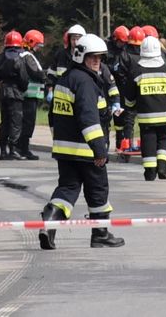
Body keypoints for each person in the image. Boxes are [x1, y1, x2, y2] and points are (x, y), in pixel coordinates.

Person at [39, 33, 124, 250]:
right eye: (92, 57)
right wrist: (99, 150)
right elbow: (88, 119)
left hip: (64, 149)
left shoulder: (65, 79)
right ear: (80, 57)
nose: (97, 62)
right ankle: (100, 234)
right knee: (98, 190)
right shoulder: (85, 82)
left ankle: (49, 222)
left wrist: (56, 140)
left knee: (67, 189)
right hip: (86, 150)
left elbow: (54, 116)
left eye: (100, 57)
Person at [121, 36, 166, 180]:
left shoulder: (136, 72)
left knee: (148, 141)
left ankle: (149, 172)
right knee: (163, 139)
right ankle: (162, 166)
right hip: (163, 117)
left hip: (145, 118)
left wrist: (131, 107)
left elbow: (129, 97)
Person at [0, 30, 29, 160]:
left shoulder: (0, 57)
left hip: (3, 92)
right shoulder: (19, 57)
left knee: (4, 122)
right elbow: (23, 77)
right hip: (15, 92)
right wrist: (22, 88)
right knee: (16, 122)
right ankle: (13, 150)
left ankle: (3, 151)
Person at [18, 30, 47, 160]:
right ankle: (23, 148)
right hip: (29, 96)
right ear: (31, 42)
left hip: (30, 95)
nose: (38, 48)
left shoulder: (27, 55)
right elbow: (36, 73)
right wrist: (47, 76)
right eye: (37, 45)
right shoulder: (27, 56)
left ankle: (22, 147)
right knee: (28, 123)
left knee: (27, 123)